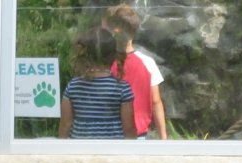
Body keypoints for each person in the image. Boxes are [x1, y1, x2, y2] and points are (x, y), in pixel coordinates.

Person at [102, 4, 167, 139]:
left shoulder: (102, 63)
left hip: (107, 133)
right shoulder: (147, 63)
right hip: (138, 134)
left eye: (103, 30)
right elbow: (156, 102)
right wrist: (163, 137)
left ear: (114, 31)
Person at [58, 30, 134, 139]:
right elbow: (129, 128)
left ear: (84, 56)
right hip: (112, 151)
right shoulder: (122, 88)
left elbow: (65, 124)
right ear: (113, 55)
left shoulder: (73, 86)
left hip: (81, 150)